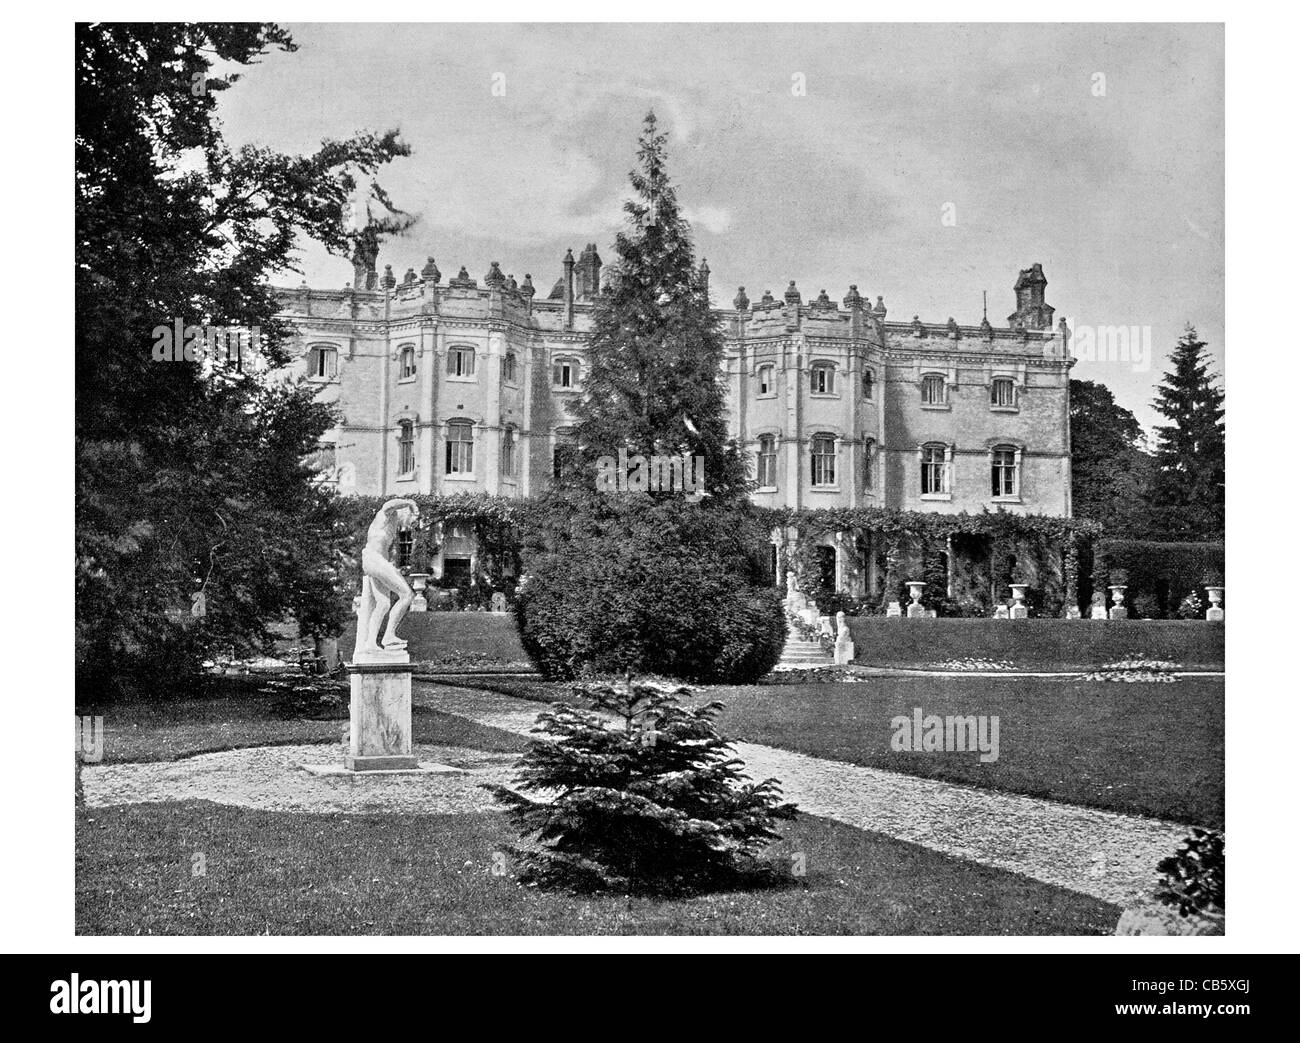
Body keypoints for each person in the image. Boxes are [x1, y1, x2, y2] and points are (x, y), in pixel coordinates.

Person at [356, 498, 419, 653]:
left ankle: (371, 643)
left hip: (375, 561)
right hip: (374, 559)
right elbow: (388, 505)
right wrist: (411, 503)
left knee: (383, 603)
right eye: (413, 518)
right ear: (405, 512)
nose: (412, 523)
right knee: (407, 594)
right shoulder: (385, 515)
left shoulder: (391, 527)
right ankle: (389, 635)